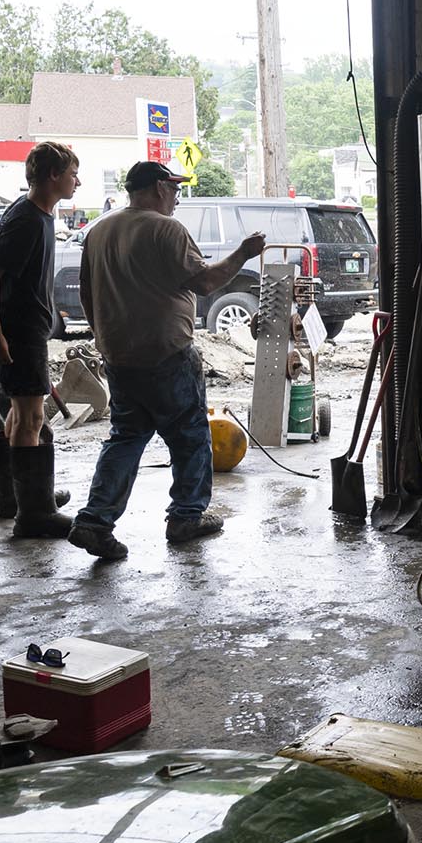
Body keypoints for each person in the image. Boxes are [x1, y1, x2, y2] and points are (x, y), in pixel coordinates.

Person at [66, 161, 265, 560]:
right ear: (158, 187)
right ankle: (186, 517)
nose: (176, 198)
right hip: (166, 355)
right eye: (173, 189)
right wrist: (243, 253)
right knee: (190, 438)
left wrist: (105, 339)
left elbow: (87, 293)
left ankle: (95, 521)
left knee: (125, 439)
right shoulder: (165, 228)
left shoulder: (100, 230)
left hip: (120, 356)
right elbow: (206, 281)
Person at [0, 141, 79, 539]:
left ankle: (16, 499)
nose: (77, 181)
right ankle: (35, 515)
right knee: (32, 418)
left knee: (20, 415)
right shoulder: (28, 220)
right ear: (53, 175)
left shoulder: (36, 214)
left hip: (26, 329)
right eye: (72, 174)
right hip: (18, 332)